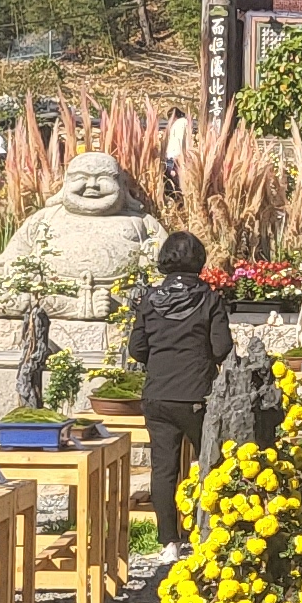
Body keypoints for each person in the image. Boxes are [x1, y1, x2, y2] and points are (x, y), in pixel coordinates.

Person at [128, 230, 235, 544]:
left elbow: (136, 350)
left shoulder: (150, 299)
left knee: (163, 469)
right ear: (199, 261)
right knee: (210, 463)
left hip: (158, 395)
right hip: (196, 396)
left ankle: (168, 542)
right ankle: (209, 532)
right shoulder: (210, 299)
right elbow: (222, 348)